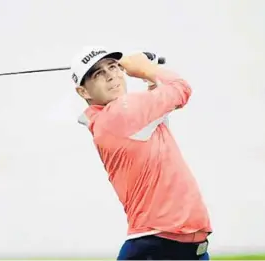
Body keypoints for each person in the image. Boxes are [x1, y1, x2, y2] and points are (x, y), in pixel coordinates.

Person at [70, 46, 213, 260]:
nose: (111, 76)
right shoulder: (122, 112)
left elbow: (159, 102)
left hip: (175, 245)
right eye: (98, 74)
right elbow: (180, 89)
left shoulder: (125, 117)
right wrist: (145, 68)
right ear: (84, 92)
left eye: (113, 67)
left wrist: (150, 76)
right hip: (158, 245)